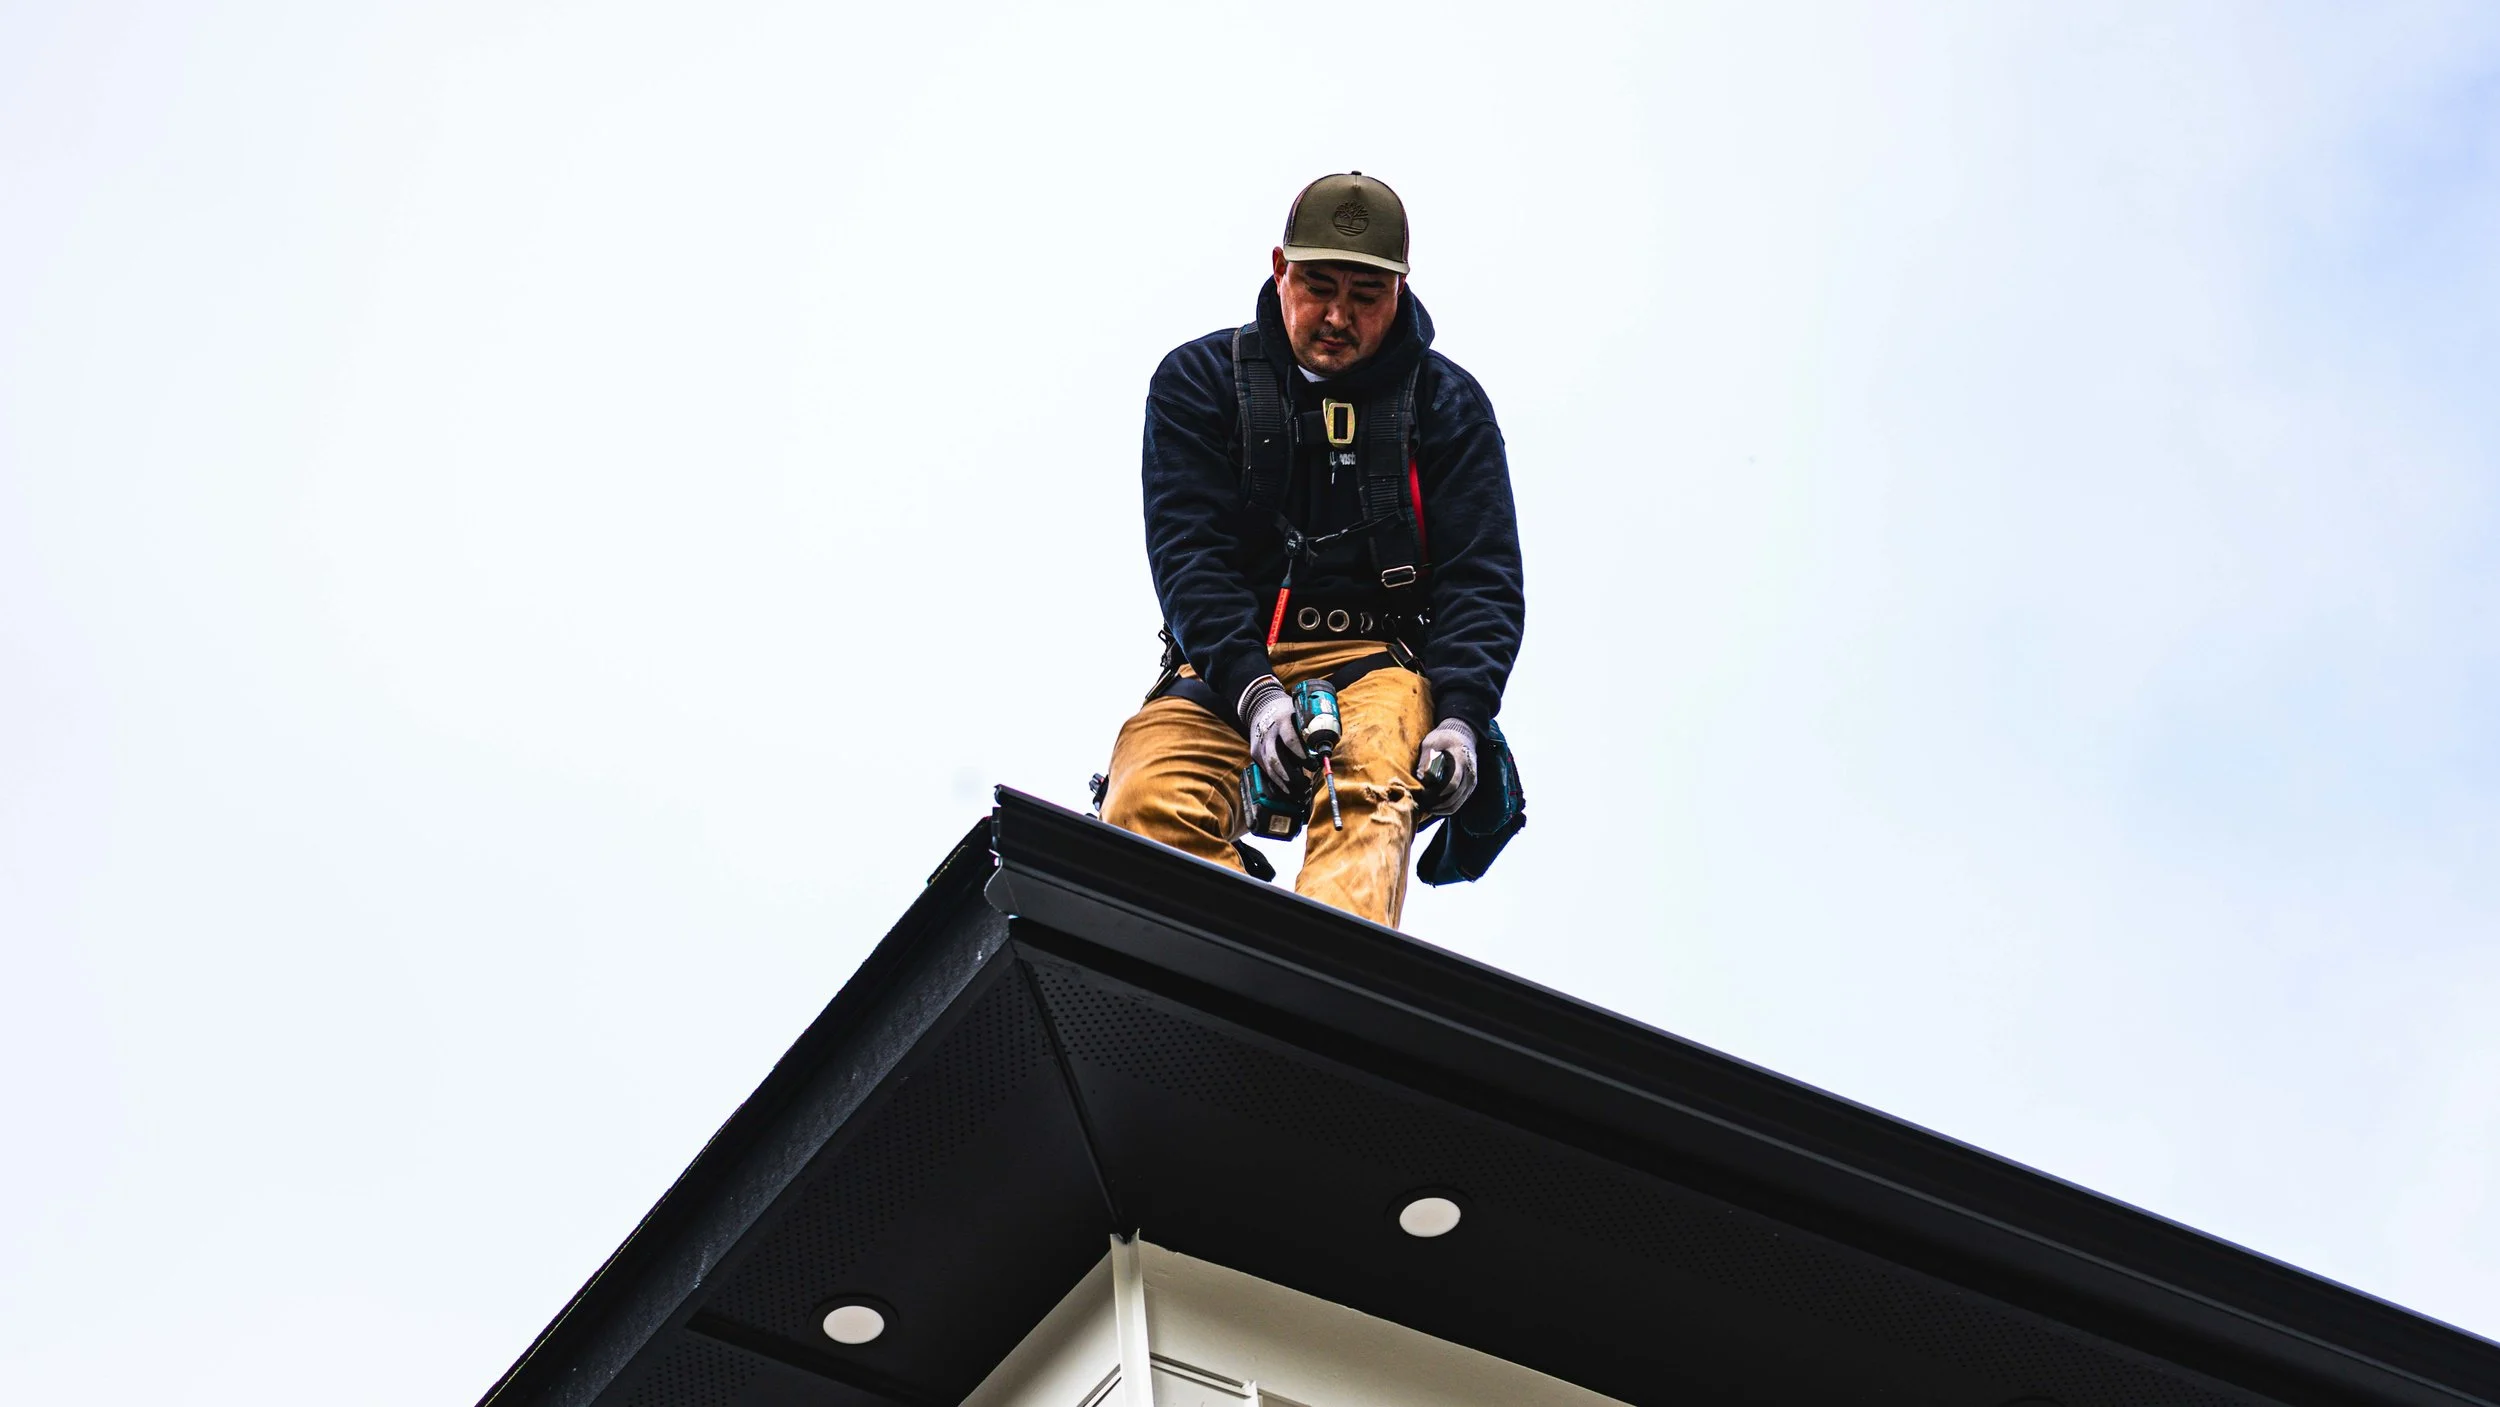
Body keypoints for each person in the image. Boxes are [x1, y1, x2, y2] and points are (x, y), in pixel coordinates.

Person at [1098, 172, 1525, 928]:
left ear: (1399, 291)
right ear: (1278, 268)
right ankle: (1219, 957)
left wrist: (1459, 718)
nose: (1337, 315)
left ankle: (1321, 985)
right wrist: (1258, 697)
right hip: (1225, 665)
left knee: (1371, 795)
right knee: (1144, 800)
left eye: (1364, 295)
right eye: (1317, 285)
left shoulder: (1449, 407)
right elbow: (1189, 558)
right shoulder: (1198, 384)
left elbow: (1482, 583)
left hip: (1378, 669)